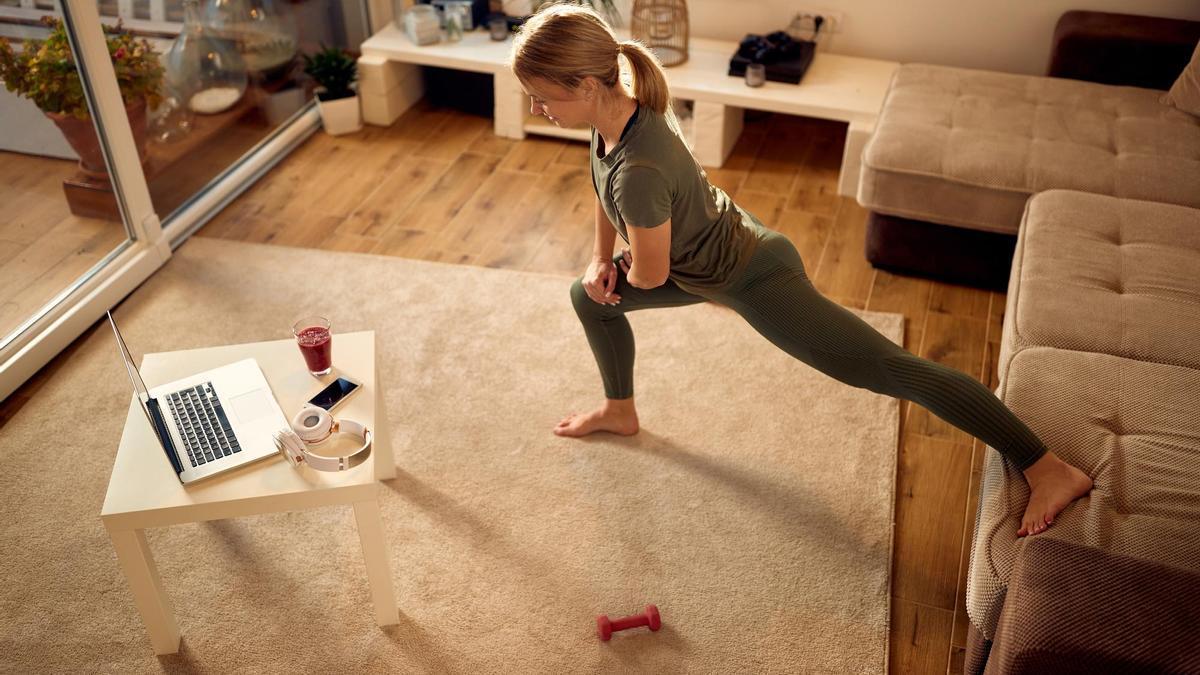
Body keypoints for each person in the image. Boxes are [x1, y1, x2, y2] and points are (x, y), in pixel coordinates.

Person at [510, 5, 1091, 538]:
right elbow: (602, 191)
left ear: (586, 84)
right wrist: (596, 261)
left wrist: (620, 270)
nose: (536, 108)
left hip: (753, 277)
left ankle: (1047, 466)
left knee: (891, 371)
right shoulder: (611, 118)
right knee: (587, 297)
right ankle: (620, 409)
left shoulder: (641, 165)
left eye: (541, 98)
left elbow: (647, 273)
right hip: (707, 261)